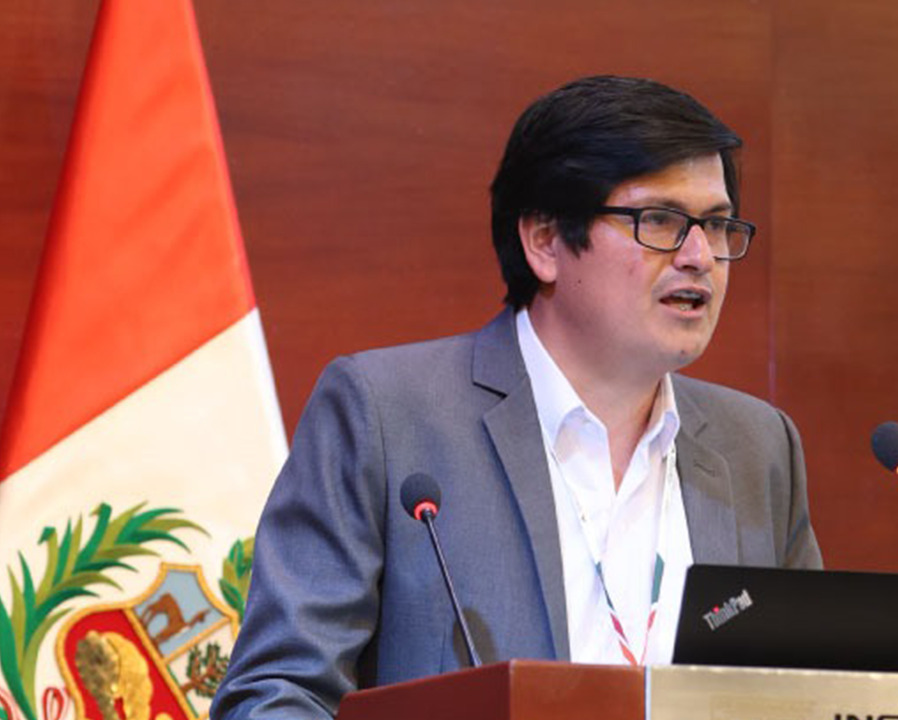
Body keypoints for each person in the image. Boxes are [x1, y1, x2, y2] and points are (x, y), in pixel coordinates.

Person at [211, 75, 821, 720]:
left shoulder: (758, 446)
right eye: (661, 221)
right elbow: (278, 694)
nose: (700, 256)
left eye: (717, 225)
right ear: (545, 242)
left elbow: (817, 691)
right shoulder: (388, 416)